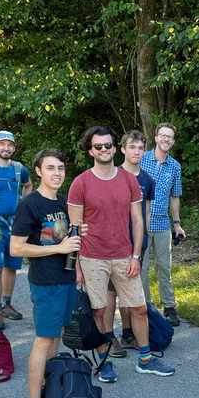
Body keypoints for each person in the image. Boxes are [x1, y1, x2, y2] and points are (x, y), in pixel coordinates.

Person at [68, 126, 175, 382]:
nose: (104, 150)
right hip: (92, 256)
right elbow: (74, 231)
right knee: (99, 310)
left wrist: (137, 255)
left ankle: (146, 359)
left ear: (115, 148)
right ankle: (104, 362)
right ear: (90, 151)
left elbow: (138, 221)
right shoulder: (80, 183)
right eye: (98, 147)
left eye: (108, 145)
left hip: (125, 256)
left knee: (138, 307)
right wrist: (77, 267)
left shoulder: (129, 180)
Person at [10, 148, 83, 398]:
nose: (57, 173)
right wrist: (60, 246)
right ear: (38, 171)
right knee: (44, 339)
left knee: (56, 336)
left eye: (61, 168)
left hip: (65, 279)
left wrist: (75, 235)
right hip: (47, 283)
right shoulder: (30, 204)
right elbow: (16, 247)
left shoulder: (61, 202)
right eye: (51, 168)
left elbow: (58, 236)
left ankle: (47, 390)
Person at [102, 130, 156, 358]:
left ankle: (127, 334)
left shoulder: (148, 180)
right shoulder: (112, 174)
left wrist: (143, 243)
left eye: (141, 148)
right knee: (111, 293)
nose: (137, 152)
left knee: (130, 291)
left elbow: (146, 214)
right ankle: (108, 338)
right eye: (132, 147)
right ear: (122, 149)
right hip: (113, 245)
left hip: (136, 245)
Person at [0, 130, 33, 330]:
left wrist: (24, 206)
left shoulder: (19, 169)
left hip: (15, 226)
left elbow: (28, 186)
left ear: (14, 148)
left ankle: (7, 304)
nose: (6, 148)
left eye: (10, 145)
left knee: (12, 267)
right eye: (2, 144)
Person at [139, 122, 185, 326]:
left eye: (170, 137)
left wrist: (177, 225)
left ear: (173, 142)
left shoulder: (175, 166)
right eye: (163, 136)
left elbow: (175, 197)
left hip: (162, 224)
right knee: (142, 266)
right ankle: (145, 307)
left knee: (164, 267)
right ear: (156, 138)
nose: (166, 140)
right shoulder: (141, 160)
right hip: (140, 222)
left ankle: (169, 307)